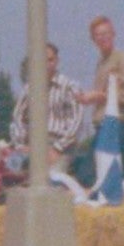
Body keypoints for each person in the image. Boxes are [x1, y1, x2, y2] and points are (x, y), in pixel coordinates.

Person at [11, 42, 94, 195]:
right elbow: (18, 117)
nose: (47, 64)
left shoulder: (69, 86)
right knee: (12, 177)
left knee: (53, 182)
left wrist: (57, 149)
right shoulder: (30, 88)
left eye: (50, 60)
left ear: (56, 61)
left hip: (60, 147)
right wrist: (21, 145)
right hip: (33, 145)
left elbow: (76, 122)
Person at [80, 15, 124, 207]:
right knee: (94, 175)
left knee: (107, 176)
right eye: (98, 35)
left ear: (114, 34)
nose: (103, 38)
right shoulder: (102, 63)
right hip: (103, 127)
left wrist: (98, 97)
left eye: (106, 33)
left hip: (118, 126)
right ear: (93, 39)